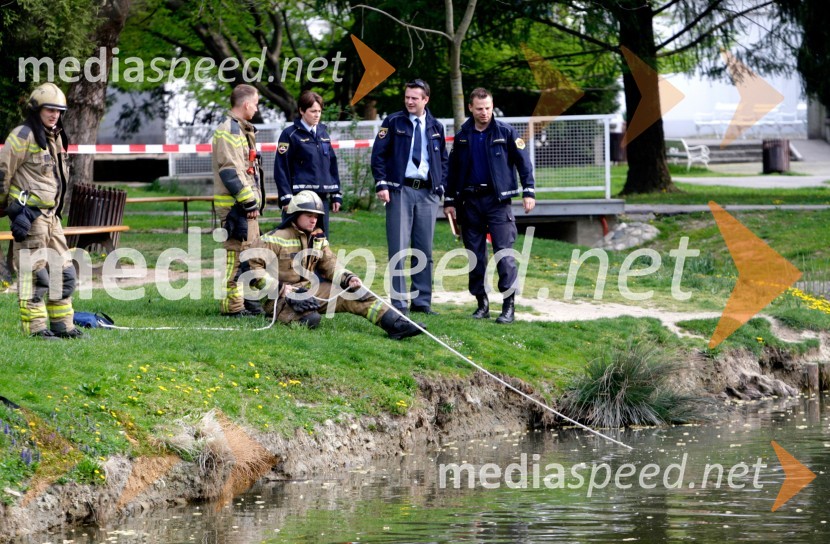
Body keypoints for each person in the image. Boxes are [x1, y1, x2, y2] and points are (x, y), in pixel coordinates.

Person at [257, 191, 424, 339]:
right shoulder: (275, 238)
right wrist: (279, 289)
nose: (313, 220)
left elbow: (330, 264)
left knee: (357, 292)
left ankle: (396, 324)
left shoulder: (317, 238)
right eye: (309, 215)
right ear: (295, 214)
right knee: (311, 319)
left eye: (316, 216)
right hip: (280, 298)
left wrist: (347, 278)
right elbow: (252, 268)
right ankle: (289, 315)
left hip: (310, 292)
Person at [444, 88, 535, 324]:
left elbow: (523, 162)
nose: (484, 113)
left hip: (498, 202)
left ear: (492, 106)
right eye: (480, 108)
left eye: (488, 108)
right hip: (470, 202)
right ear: (471, 108)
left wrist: (528, 191)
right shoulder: (463, 135)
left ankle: (508, 306)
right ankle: (481, 303)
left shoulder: (505, 132)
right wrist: (450, 200)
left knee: (504, 255)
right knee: (475, 256)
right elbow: (453, 170)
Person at [0, 82, 82, 339]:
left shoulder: (54, 137)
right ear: (36, 109)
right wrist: (8, 210)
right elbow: (3, 174)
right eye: (49, 109)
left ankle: (63, 326)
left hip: (52, 219)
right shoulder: (22, 136)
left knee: (64, 273)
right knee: (35, 276)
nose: (54, 115)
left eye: (58, 111)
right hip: (30, 217)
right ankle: (36, 330)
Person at [371, 79, 448, 315]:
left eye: (415, 98)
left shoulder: (436, 126)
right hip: (400, 191)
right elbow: (379, 155)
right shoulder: (393, 122)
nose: (410, 101)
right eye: (407, 97)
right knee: (399, 248)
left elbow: (443, 160)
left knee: (424, 250)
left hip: (427, 193)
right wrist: (381, 184)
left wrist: (441, 184)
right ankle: (399, 302)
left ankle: (422, 301)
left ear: (426, 100)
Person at [212, 84, 267, 317]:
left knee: (251, 256)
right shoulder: (229, 131)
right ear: (246, 104)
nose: (256, 109)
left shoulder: (241, 130)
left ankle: (248, 302)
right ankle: (232, 307)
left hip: (244, 207)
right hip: (236, 208)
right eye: (255, 104)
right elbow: (230, 172)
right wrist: (249, 203)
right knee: (235, 258)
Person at [274, 90, 342, 236]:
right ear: (302, 111)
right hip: (299, 198)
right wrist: (286, 198)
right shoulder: (289, 134)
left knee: (321, 241)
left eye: (319, 111)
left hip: (322, 198)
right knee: (296, 241)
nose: (317, 115)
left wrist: (336, 193)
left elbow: (332, 164)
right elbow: (281, 168)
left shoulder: (324, 133)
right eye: (313, 111)